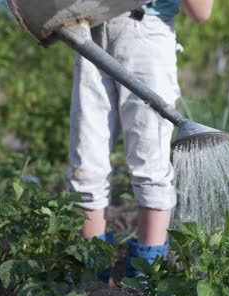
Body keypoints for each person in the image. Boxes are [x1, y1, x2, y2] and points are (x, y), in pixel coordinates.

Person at [68, 0, 214, 281]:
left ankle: (147, 278)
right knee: (86, 164)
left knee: (150, 163)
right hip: (87, 28)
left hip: (145, 33)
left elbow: (201, 12)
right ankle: (91, 280)